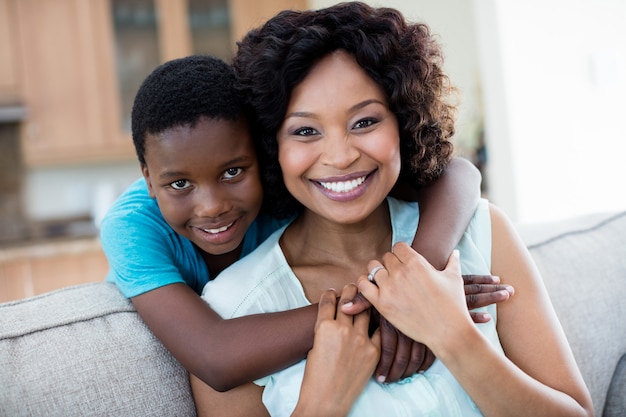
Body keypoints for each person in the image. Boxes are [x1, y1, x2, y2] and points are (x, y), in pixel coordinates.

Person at [192, 3, 594, 416]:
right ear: (270, 144)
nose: (341, 156)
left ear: (402, 122)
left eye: (364, 122)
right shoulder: (233, 311)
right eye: (305, 131)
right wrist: (321, 403)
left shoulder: (480, 233)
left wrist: (451, 332)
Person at [100, 55, 513, 392]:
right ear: (147, 177)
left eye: (232, 172)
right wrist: (391, 304)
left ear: (262, 157)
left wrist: (420, 272)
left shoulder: (288, 186)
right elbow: (216, 356)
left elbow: (458, 173)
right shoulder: (132, 228)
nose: (211, 206)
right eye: (179, 183)